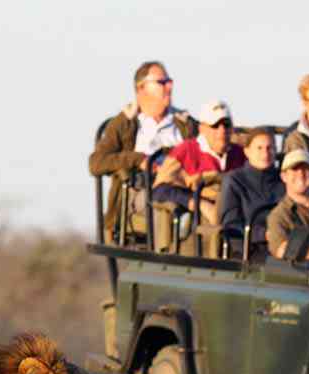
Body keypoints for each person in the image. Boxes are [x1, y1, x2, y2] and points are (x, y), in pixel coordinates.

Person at [88, 61, 197, 242]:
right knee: (163, 203)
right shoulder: (126, 123)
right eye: (161, 82)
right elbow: (97, 163)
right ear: (141, 89)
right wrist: (138, 159)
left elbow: (215, 138)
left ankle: (236, 257)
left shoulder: (185, 123)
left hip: (184, 184)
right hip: (143, 190)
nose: (169, 86)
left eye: (169, 81)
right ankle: (164, 258)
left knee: (222, 196)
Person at [152, 100, 245, 225]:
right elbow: (160, 190)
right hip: (198, 217)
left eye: (226, 125)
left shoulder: (241, 153)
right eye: (215, 125)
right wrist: (198, 203)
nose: (222, 130)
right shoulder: (185, 151)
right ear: (202, 129)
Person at [219, 127, 285, 249]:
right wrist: (263, 234)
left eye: (270, 148)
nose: (265, 153)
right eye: (259, 148)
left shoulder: (284, 180)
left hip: (283, 246)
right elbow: (231, 225)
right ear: (247, 151)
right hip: (247, 249)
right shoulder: (234, 180)